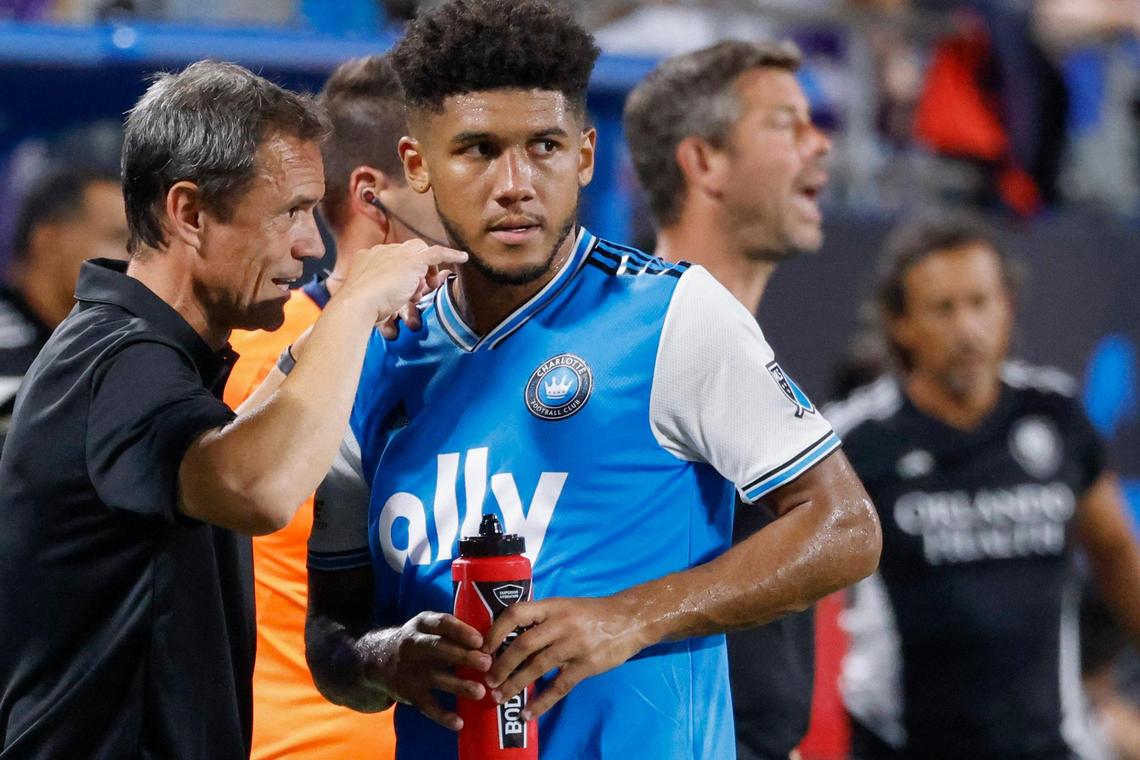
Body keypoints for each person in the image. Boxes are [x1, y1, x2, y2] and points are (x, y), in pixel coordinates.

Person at [303, 2, 881, 759]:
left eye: (542, 146)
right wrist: (384, 658)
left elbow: (844, 528)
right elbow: (332, 640)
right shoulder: (370, 356)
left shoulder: (674, 314)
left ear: (583, 155)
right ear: (418, 166)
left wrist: (630, 616)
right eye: (476, 150)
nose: (514, 183)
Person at [0, 60, 466, 758]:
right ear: (189, 212)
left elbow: (229, 447)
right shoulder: (120, 364)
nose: (312, 245)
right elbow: (258, 488)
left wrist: (317, 344)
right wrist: (356, 300)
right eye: (290, 212)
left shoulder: (132, 350)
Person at [831, 210, 1140, 760]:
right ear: (901, 324)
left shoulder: (1058, 416)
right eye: (943, 309)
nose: (967, 329)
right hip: (904, 745)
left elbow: (1116, 553)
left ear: (1008, 308)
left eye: (980, 303)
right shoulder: (856, 442)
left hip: (1047, 744)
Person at [222, 54, 447, 760]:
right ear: (373, 195)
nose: (497, 191)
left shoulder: (476, 355)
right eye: (458, 164)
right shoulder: (247, 357)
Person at [624, 39, 833, 760]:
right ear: (703, 161)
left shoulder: (746, 351)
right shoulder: (631, 354)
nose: (820, 144)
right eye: (785, 124)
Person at [0, 165, 127, 450]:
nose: (135, 259)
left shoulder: (104, 344)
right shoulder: (7, 350)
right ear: (48, 240)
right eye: (120, 238)